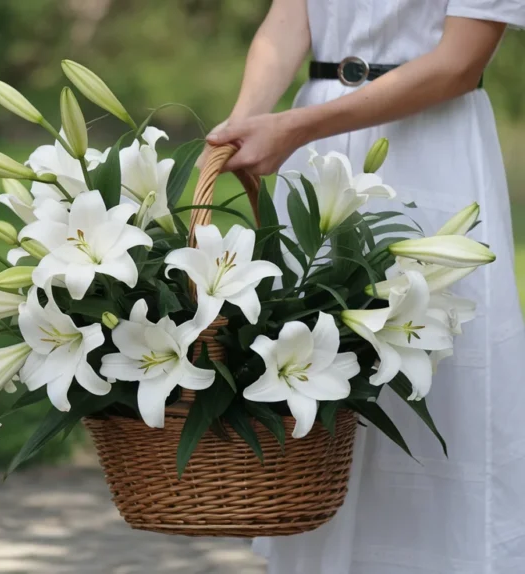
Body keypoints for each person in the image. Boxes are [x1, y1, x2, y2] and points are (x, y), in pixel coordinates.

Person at [204, 1, 525, 573]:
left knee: (435, 371)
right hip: (312, 145)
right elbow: (288, 20)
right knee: (313, 370)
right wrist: (242, 126)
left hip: (430, 140)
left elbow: (458, 61)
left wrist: (294, 126)